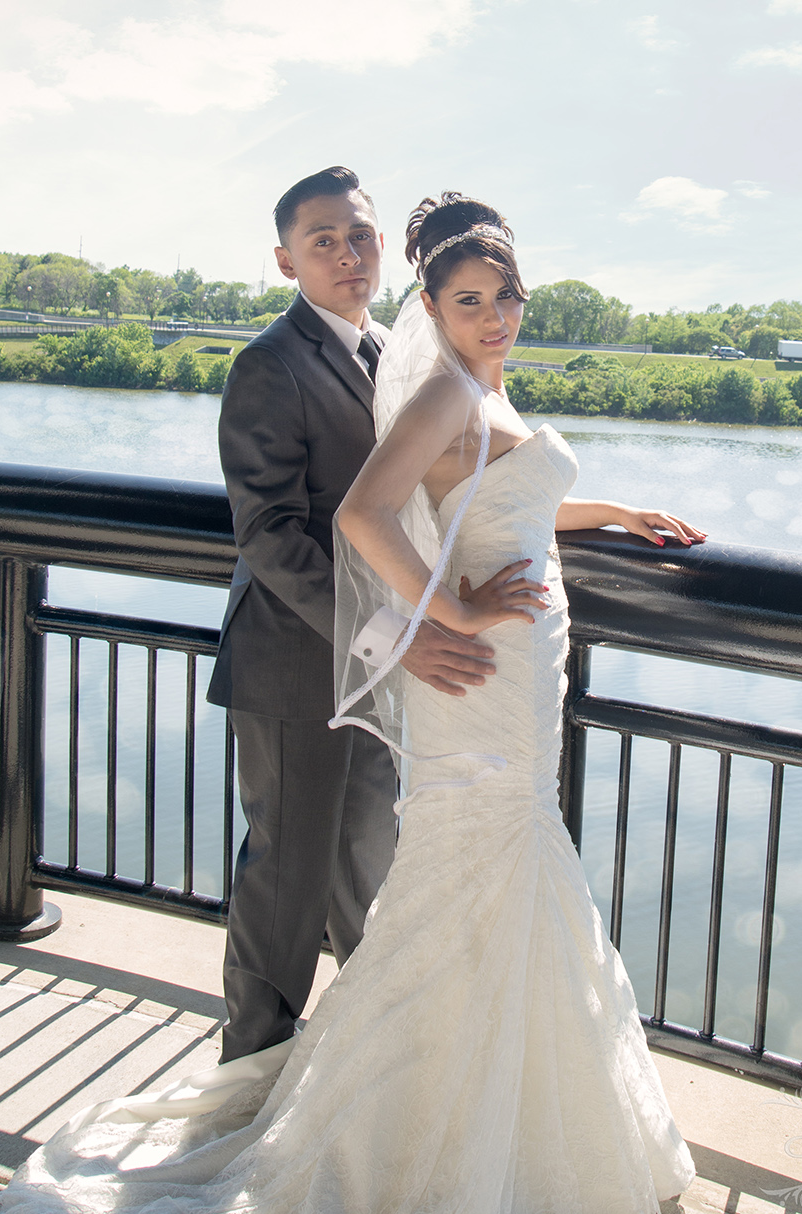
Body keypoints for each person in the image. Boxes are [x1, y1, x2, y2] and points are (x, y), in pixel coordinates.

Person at [0, 192, 706, 1214]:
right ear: (428, 300)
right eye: (469, 300)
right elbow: (348, 521)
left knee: (458, 891)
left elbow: (487, 503)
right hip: (444, 671)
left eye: (507, 297)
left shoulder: (451, 375)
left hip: (508, 684)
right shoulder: (390, 377)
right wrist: (437, 621)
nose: (493, 316)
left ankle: (471, 1117)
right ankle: (368, 1136)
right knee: (349, 883)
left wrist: (613, 514)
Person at [206, 165, 496, 1065]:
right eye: (322, 241)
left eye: (359, 235)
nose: (346, 254)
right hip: (296, 665)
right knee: (286, 879)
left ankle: (359, 1072)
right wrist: (396, 637)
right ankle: (250, 1066)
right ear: (285, 262)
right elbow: (269, 535)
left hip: (374, 668)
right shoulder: (269, 363)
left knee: (365, 868)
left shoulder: (396, 354)